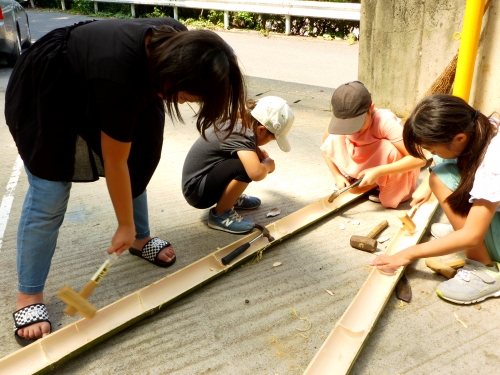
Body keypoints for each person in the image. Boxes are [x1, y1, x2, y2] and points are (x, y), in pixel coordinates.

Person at [6, 18, 246, 346]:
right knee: (50, 189)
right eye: (189, 96)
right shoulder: (119, 78)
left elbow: (130, 160)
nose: (186, 103)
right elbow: (115, 162)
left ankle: (139, 238)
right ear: (175, 77)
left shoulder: (176, 42)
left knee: (143, 153)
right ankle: (29, 295)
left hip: (106, 76)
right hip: (51, 86)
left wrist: (129, 228)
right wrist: (122, 223)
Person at [371, 94, 500, 305]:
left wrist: (408, 253)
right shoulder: (480, 125)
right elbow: (443, 158)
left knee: (441, 177)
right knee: (439, 173)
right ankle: (471, 227)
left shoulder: (495, 163)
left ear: (459, 138)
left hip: (481, 234)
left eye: (432, 149)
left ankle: (484, 272)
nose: (432, 153)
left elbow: (472, 236)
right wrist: (425, 185)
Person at [182, 96, 294, 233]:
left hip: (200, 183)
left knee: (250, 160)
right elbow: (256, 173)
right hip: (197, 192)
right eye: (271, 139)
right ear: (261, 130)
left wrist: (257, 152)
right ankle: (221, 213)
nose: (269, 142)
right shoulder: (242, 134)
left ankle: (230, 197)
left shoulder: (239, 124)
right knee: (246, 167)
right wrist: (268, 165)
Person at [320, 81, 425, 208]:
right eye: (347, 124)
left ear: (371, 108)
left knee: (389, 149)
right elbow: (325, 146)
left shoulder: (385, 122)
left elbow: (419, 158)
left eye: (357, 123)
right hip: (366, 163)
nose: (353, 129)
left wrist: (378, 171)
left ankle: (383, 185)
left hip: (387, 170)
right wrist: (337, 175)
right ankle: (354, 177)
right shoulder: (340, 123)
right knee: (334, 137)